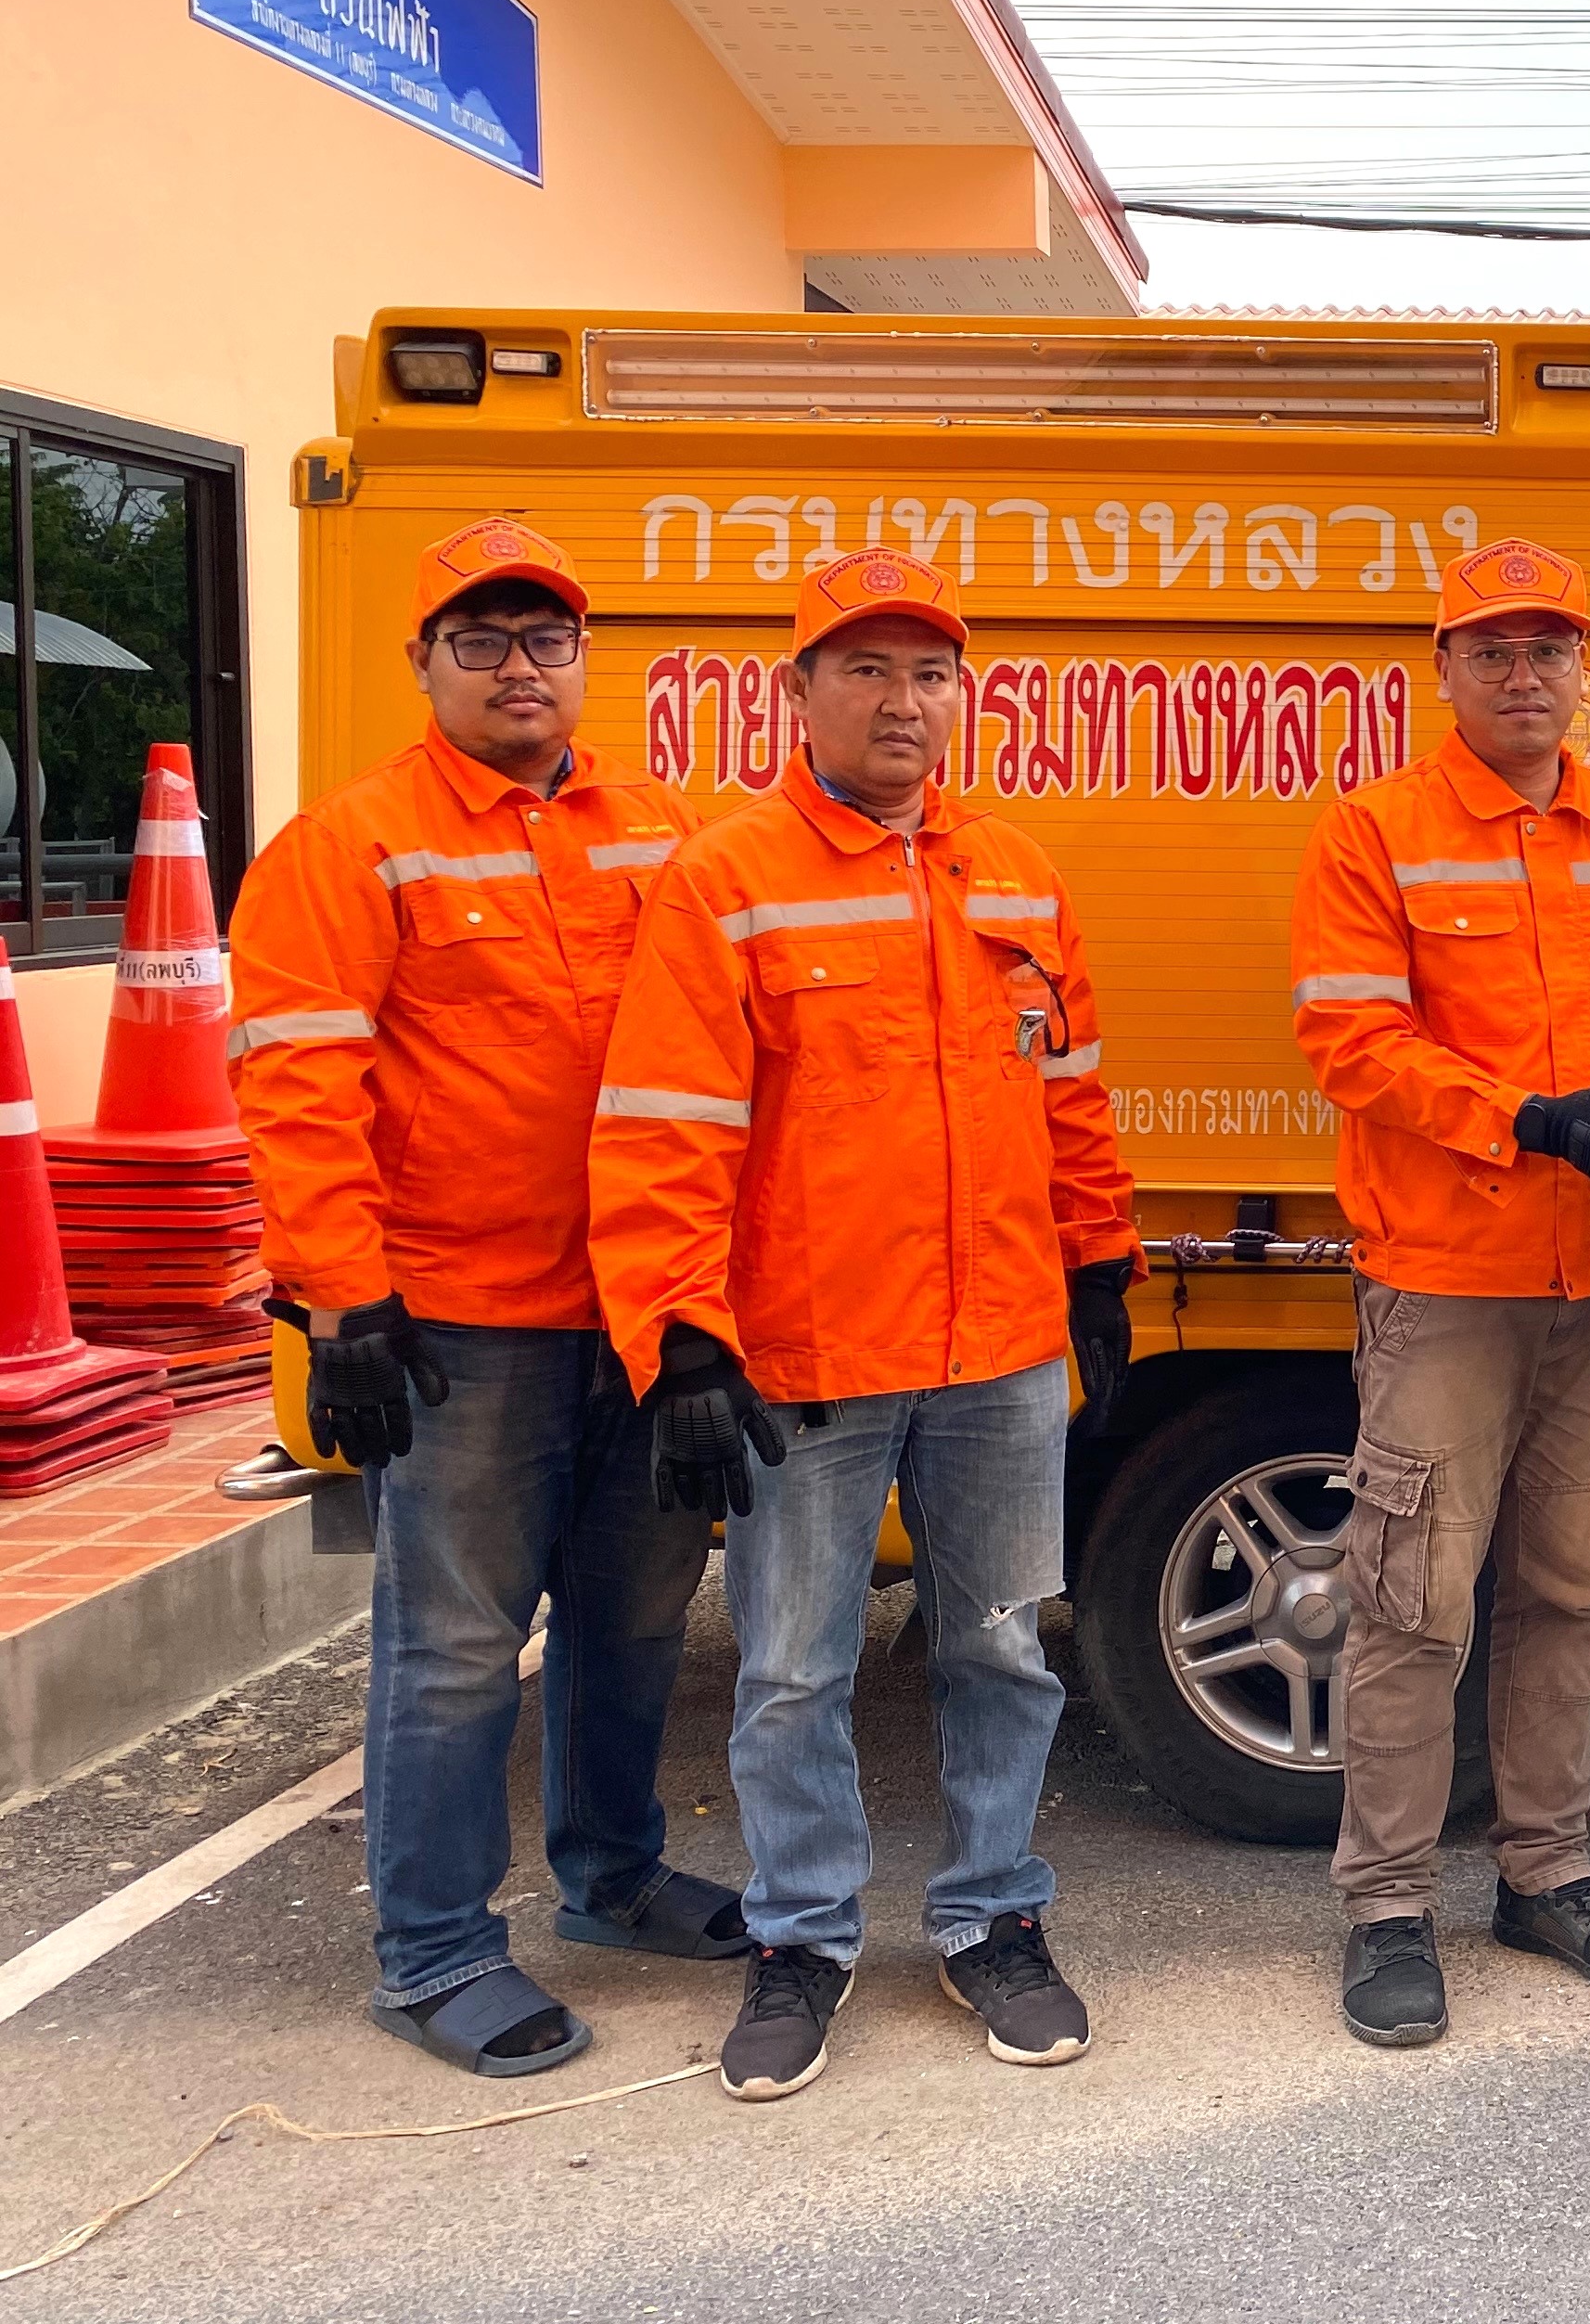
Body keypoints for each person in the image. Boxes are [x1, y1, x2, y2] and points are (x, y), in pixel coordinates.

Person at [589, 547, 1140, 2102]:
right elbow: (664, 1125)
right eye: (868, 670)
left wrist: (1100, 1260)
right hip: (807, 1359)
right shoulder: (730, 879)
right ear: (799, 692)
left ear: (963, 697)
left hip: (1000, 1352)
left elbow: (1070, 1092)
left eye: (931, 674)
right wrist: (680, 1338)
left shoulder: (1016, 872)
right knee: (788, 1674)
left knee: (1003, 1650)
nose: (905, 702)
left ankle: (993, 1918)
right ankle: (801, 1940)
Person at [227, 516, 741, 2079]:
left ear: (583, 660)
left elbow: (722, 1057)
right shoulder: (351, 845)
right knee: (455, 1649)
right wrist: (342, 1301)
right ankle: (435, 1951)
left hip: (636, 1315)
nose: (519, 667)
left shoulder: (663, 827)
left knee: (636, 1617)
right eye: (482, 640)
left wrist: (707, 1300)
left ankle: (614, 1877)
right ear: (425, 663)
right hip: (462, 1329)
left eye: (546, 639)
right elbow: (297, 1085)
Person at [1289, 535, 1590, 2050]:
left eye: (1549, 647)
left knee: (1573, 1587)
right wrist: (1531, 1122)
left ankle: (1547, 1875)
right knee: (1412, 1605)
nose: (1524, 674)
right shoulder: (1375, 831)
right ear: (1446, 669)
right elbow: (1350, 1043)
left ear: (1583, 667)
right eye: (1493, 649)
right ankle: (1386, 1906)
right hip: (1447, 1277)